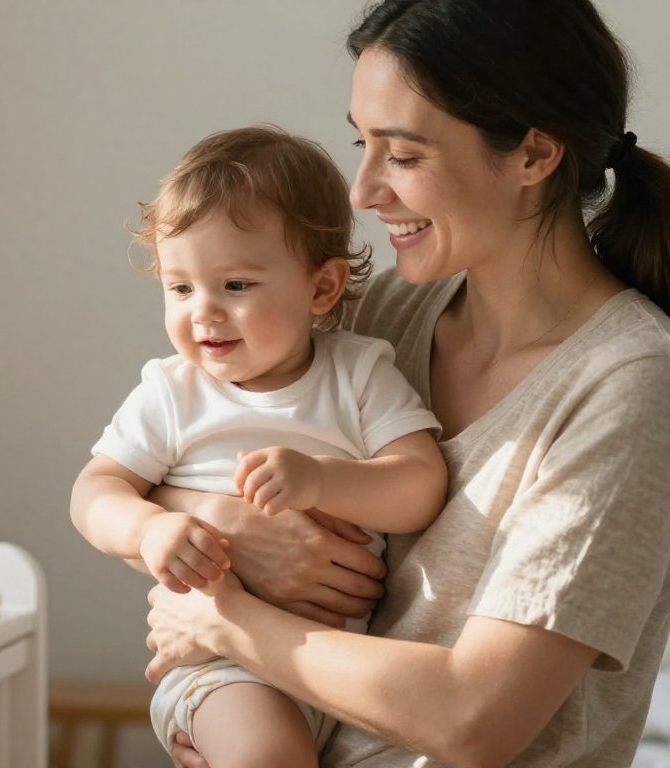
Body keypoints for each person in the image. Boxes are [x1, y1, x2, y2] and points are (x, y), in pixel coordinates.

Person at [144, 1, 670, 766]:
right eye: (364, 144)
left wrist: (224, 624)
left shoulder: (630, 386)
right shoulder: (380, 314)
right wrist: (231, 523)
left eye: (404, 155)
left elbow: (475, 719)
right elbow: (158, 457)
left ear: (534, 155)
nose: (361, 192)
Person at [70, 126, 447, 767]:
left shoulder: (358, 373)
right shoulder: (172, 391)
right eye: (181, 288)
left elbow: (420, 486)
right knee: (267, 756)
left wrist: (324, 480)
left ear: (322, 289)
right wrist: (150, 529)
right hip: (222, 661)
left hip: (348, 670)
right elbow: (93, 492)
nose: (203, 313)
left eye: (236, 286)